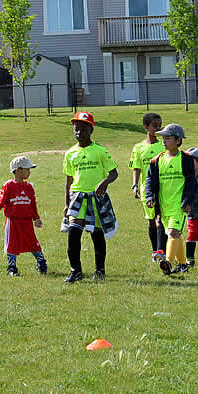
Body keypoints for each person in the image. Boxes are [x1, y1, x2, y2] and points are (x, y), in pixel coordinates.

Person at [63, 111, 119, 283]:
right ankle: (75, 271)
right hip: (77, 197)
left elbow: (114, 173)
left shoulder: (100, 151)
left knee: (97, 235)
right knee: (73, 233)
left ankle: (100, 270)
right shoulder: (70, 153)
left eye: (83, 129)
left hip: (96, 198)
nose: (79, 132)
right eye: (76, 129)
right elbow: (69, 181)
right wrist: (66, 204)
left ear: (91, 130)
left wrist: (105, 182)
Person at [144, 123, 196, 276]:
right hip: (163, 206)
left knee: (172, 233)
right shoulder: (156, 160)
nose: (164, 141)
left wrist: (188, 201)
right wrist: (149, 196)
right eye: (163, 138)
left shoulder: (186, 159)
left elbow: (191, 183)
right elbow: (150, 181)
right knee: (174, 235)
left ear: (178, 140)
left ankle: (167, 262)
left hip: (179, 206)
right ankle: (182, 264)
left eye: (168, 138)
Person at [0, 156, 47, 276]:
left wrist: (36, 218)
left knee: (33, 242)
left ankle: (42, 263)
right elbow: (0, 202)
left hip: (27, 221)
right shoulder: (8, 186)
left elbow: (33, 204)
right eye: (27, 169)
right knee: (12, 244)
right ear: (18, 170)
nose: (29, 172)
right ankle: (12, 268)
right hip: (13, 221)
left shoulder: (29, 186)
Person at [129, 112, 167, 261]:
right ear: (146, 127)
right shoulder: (138, 148)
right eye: (155, 125)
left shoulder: (163, 145)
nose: (158, 128)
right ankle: (154, 251)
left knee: (160, 220)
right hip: (147, 189)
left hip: (163, 188)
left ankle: (162, 251)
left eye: (160, 125)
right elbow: (136, 168)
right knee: (151, 221)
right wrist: (135, 185)